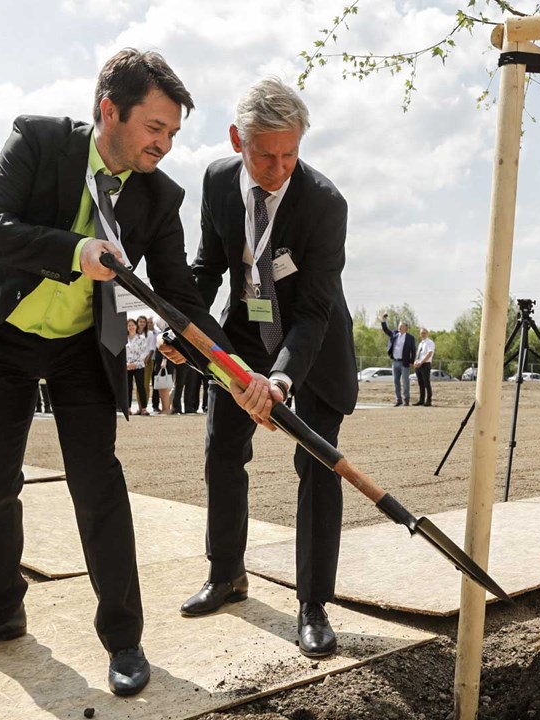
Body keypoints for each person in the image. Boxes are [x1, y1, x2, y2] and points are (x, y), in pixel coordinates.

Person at [0, 49, 270, 696]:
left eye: (171, 134)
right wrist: (75, 250)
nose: (164, 145)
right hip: (6, 335)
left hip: (83, 345)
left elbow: (183, 300)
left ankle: (125, 639)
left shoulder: (159, 197)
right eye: (155, 128)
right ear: (109, 111)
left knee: (98, 486)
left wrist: (233, 371)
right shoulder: (39, 140)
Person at [184, 76, 358, 659]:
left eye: (290, 154)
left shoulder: (325, 203)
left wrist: (282, 379)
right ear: (238, 139)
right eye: (265, 154)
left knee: (317, 468)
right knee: (222, 452)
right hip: (243, 339)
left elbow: (313, 310)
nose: (278, 168)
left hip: (314, 347)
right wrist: (184, 326)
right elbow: (208, 267)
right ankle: (227, 573)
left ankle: (312, 604)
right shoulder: (214, 181)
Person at [380, 314, 414, 407]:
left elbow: (413, 350)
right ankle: (398, 400)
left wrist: (412, 361)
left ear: (405, 327)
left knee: (405, 382)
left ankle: (406, 400)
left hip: (405, 362)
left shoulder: (410, 338)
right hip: (395, 362)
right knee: (396, 381)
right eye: (399, 325)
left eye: (401, 326)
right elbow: (386, 330)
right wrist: (383, 321)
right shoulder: (394, 334)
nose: (399, 327)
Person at [124, 318, 150, 415]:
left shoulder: (141, 338)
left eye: (132, 325)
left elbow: (145, 352)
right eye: (129, 325)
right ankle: (128, 408)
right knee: (128, 387)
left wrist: (136, 363)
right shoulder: (123, 338)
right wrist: (127, 364)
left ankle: (144, 408)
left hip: (138, 365)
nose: (131, 327)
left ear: (136, 326)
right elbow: (121, 353)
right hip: (127, 366)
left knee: (140, 387)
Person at [412, 327, 435, 407]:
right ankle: (421, 400)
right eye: (421, 333)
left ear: (427, 333)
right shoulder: (421, 343)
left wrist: (421, 362)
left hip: (425, 364)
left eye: (424, 333)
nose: (423, 334)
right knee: (420, 383)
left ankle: (428, 400)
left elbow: (429, 353)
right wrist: (416, 361)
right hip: (418, 365)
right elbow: (418, 354)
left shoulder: (429, 342)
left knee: (426, 383)